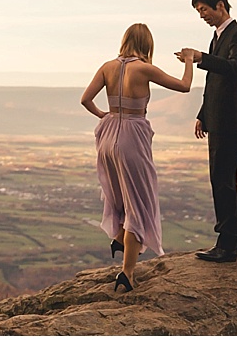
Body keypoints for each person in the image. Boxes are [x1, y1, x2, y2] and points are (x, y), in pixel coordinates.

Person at [81, 23, 194, 292]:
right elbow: (185, 86)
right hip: (132, 137)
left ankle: (120, 238)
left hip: (107, 137)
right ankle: (127, 274)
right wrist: (189, 60)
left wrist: (105, 116)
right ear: (147, 45)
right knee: (138, 203)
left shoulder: (107, 66)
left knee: (119, 196)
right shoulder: (144, 68)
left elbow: (85, 99)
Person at [176, 0, 237, 263]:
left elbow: (236, 68)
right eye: (199, 11)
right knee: (224, 181)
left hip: (231, 120)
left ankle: (227, 246)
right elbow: (215, 82)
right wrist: (203, 113)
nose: (202, 16)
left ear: (220, 5)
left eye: (204, 10)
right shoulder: (217, 37)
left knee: (222, 181)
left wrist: (201, 57)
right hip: (218, 118)